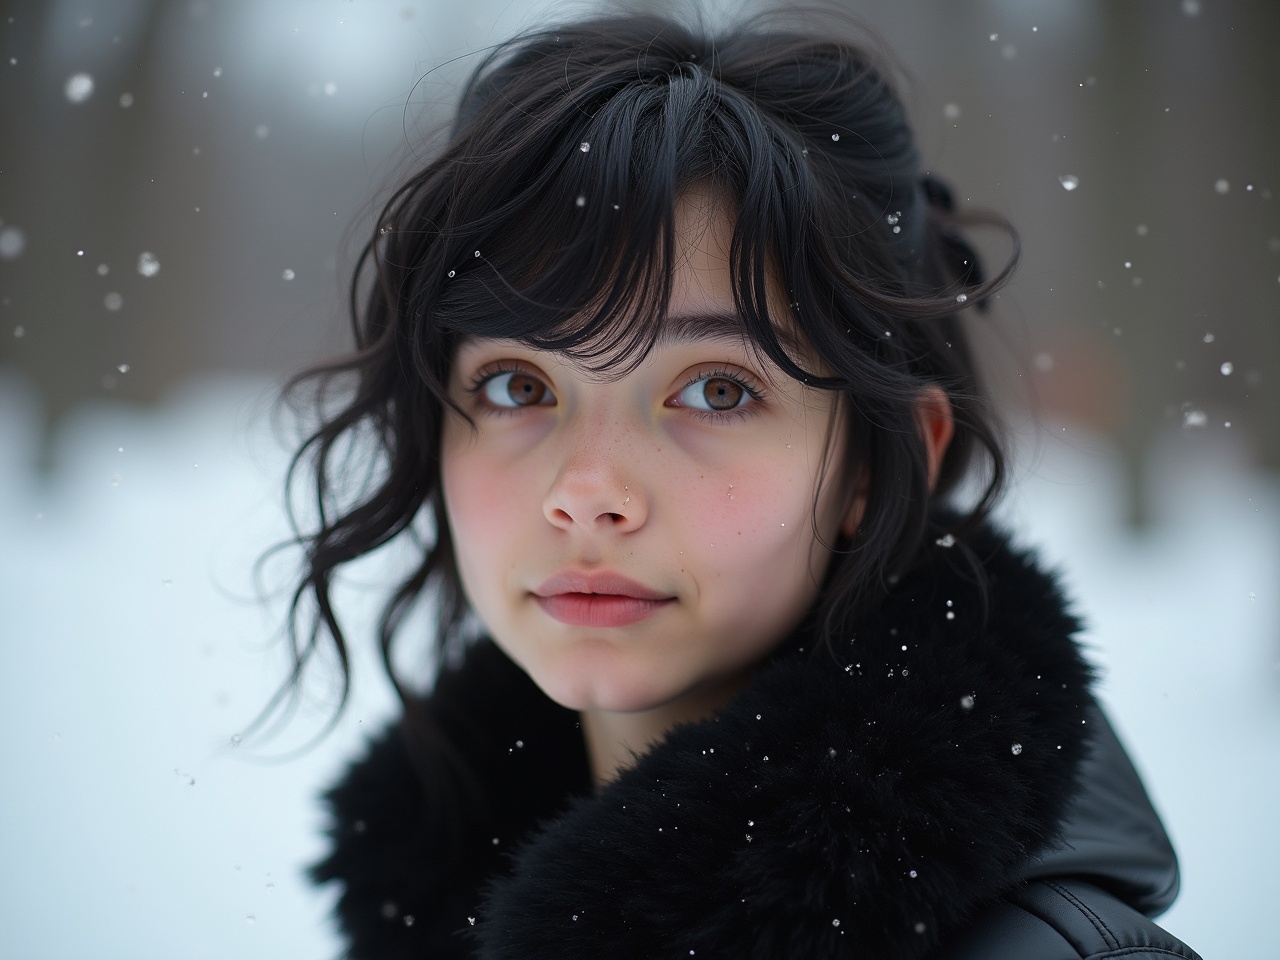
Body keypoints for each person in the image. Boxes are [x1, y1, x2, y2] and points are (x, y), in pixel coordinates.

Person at [287, 9, 1201, 959]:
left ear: (880, 464)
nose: (588, 490)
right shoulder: (438, 905)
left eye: (716, 390)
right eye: (520, 385)